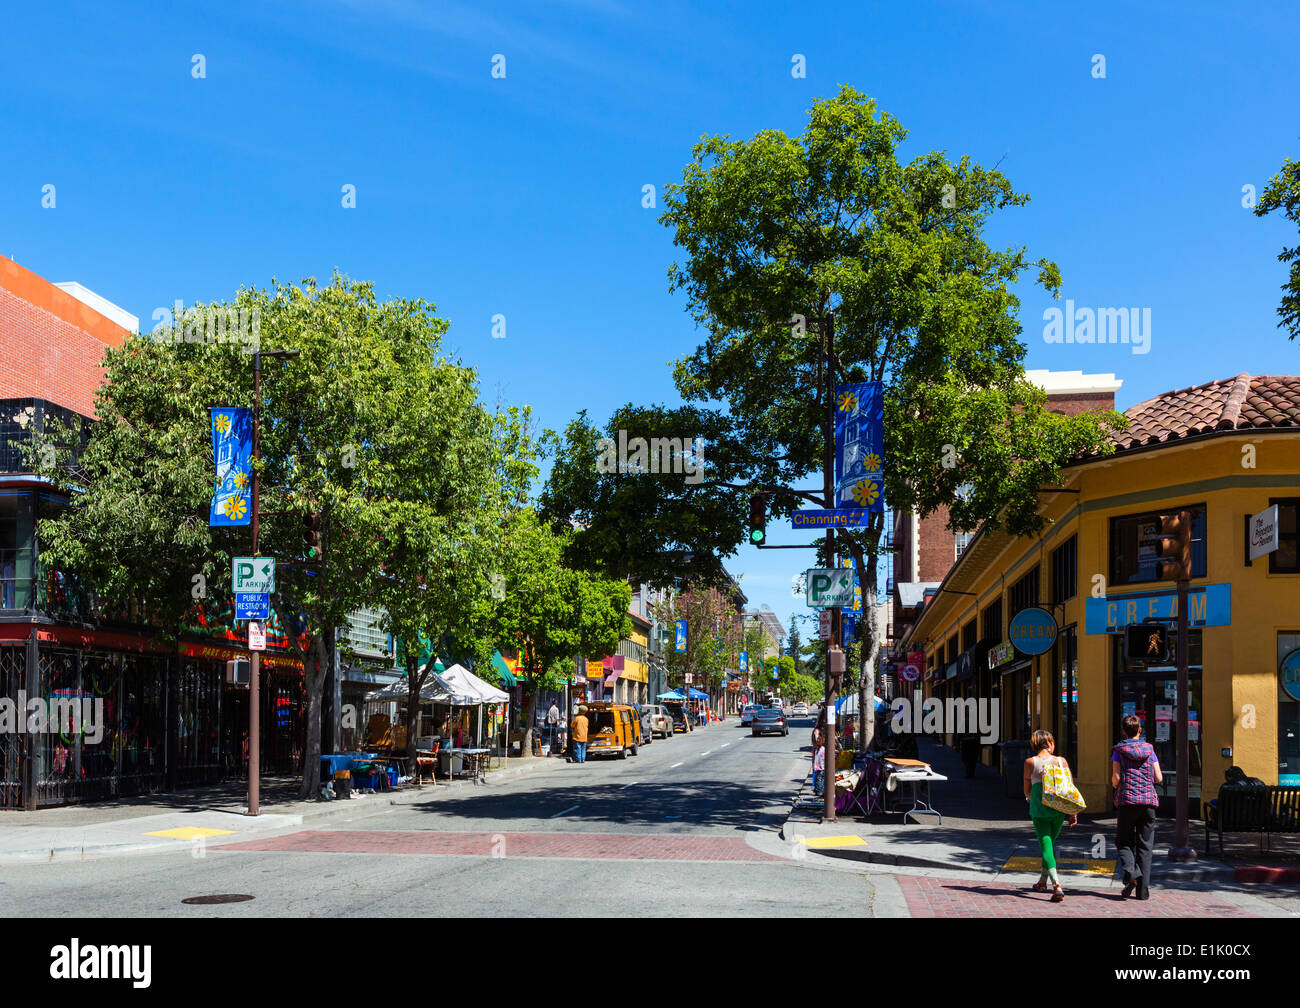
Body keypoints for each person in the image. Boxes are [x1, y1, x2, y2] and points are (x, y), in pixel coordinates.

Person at [1024, 729, 1078, 902]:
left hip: (1039, 810)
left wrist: (1030, 796)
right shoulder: (1061, 761)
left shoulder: (1030, 762)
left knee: (1046, 847)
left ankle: (1056, 884)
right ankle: (1042, 882)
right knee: (1049, 846)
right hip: (1058, 809)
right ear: (1049, 743)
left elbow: (1027, 790)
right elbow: (1069, 788)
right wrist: (1072, 812)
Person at [1112, 714, 1162, 900]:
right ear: (1139, 730)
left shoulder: (1119, 750)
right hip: (1148, 802)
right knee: (1145, 847)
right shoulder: (1150, 749)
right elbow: (1158, 777)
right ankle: (1142, 892)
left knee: (1123, 841)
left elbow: (1116, 779)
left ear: (1124, 732)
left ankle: (1132, 873)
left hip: (1127, 801)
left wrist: (1117, 785)